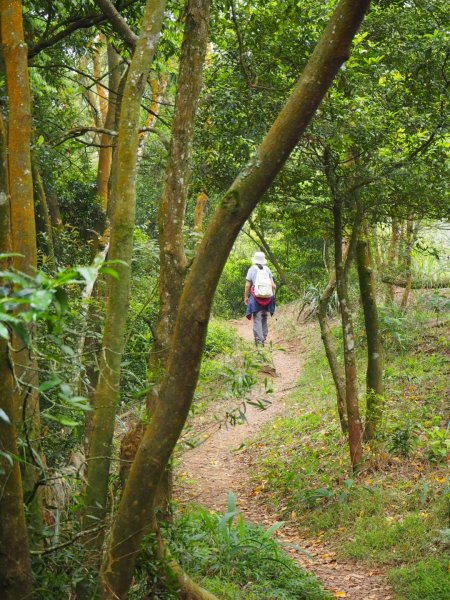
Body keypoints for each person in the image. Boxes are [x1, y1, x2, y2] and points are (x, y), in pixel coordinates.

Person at [244, 251, 276, 346]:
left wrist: (246, 297)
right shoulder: (267, 269)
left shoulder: (252, 269)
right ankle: (264, 338)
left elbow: (247, 285)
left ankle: (259, 340)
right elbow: (273, 285)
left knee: (257, 318)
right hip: (268, 298)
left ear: (255, 260)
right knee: (264, 317)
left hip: (256, 298)